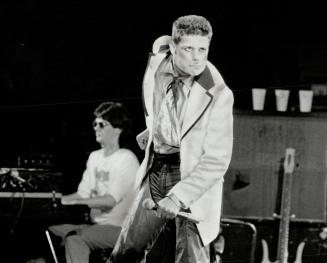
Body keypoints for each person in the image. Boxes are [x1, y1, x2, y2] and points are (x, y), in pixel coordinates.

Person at [109, 15, 234, 263]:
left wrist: (178, 197)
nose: (197, 57)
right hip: (157, 166)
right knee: (125, 254)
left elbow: (216, 161)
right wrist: (156, 129)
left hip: (192, 178)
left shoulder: (219, 95)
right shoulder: (158, 62)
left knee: (189, 257)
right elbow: (160, 102)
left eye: (203, 49)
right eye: (189, 49)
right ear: (174, 48)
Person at [49, 101, 140, 263]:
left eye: (101, 124)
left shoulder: (127, 159)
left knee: (75, 239)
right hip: (96, 227)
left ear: (117, 129)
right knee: (47, 232)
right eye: (94, 123)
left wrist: (75, 201)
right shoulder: (94, 157)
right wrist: (53, 200)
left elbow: (109, 200)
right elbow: (82, 194)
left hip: (121, 230)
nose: (96, 128)